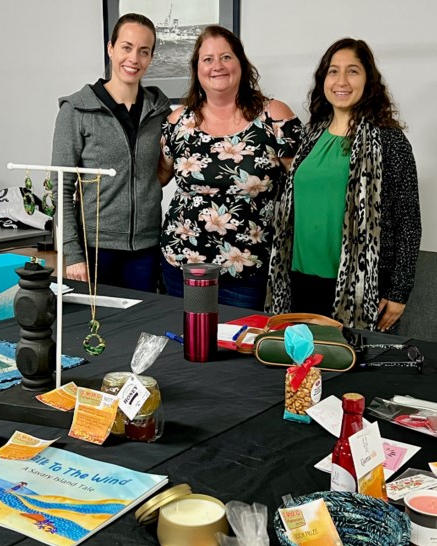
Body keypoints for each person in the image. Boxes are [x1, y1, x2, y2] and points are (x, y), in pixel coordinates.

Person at [266, 38, 422, 332]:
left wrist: (399, 292)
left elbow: (409, 221)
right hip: (299, 282)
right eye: (333, 71)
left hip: (361, 289)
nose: (342, 81)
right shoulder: (310, 136)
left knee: (352, 373)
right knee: (302, 373)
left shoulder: (390, 142)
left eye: (353, 71)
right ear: (323, 79)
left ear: (368, 80)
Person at [158, 25, 302, 310]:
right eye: (207, 59)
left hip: (247, 270)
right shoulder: (177, 121)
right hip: (181, 266)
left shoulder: (274, 117)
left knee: (239, 349)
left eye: (226, 57)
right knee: (182, 349)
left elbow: (304, 182)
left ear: (241, 63)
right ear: (197, 68)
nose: (217, 66)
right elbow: (159, 176)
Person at [51, 13, 171, 292]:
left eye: (144, 51)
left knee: (141, 331)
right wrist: (73, 253)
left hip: (147, 248)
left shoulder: (161, 112)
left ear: (151, 57)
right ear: (110, 48)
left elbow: (156, 177)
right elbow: (61, 187)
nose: (134, 59)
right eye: (126, 48)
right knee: (95, 332)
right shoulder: (76, 111)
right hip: (95, 250)